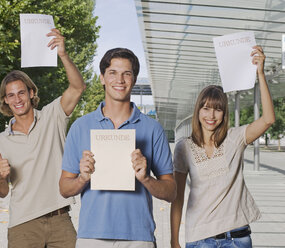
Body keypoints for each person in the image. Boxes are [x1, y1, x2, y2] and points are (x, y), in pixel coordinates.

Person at [59, 48, 177, 248]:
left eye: (127, 73)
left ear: (134, 79)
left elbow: (171, 192)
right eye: (113, 73)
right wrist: (82, 178)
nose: (119, 80)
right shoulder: (81, 127)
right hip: (91, 236)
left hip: (139, 237)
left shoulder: (153, 129)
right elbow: (64, 189)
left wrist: (146, 179)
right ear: (102, 78)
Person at [170, 46, 275, 248]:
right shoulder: (184, 147)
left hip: (237, 238)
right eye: (206, 108)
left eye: (218, 109)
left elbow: (269, 119)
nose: (211, 116)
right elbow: (178, 197)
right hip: (200, 239)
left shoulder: (235, 138)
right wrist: (174, 240)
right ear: (198, 110)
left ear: (224, 113)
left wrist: (260, 74)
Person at [0, 28, 85, 248]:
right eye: (11, 95)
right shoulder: (0, 142)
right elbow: (2, 192)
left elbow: (78, 87)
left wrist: (63, 54)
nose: (17, 99)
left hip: (60, 219)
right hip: (22, 225)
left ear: (32, 93)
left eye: (21, 92)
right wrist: (0, 176)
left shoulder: (53, 116)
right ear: (5, 101)